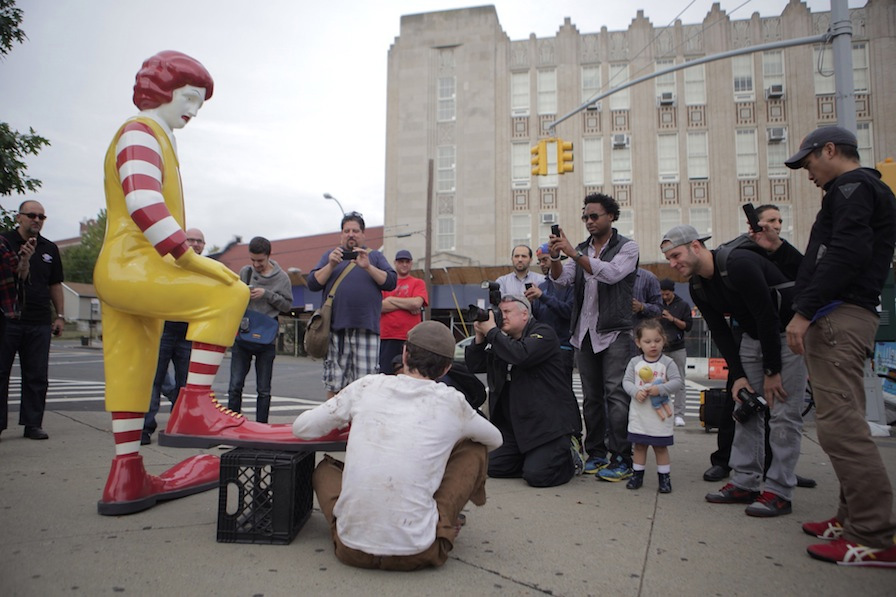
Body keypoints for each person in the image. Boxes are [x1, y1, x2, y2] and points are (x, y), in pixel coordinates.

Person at [94, 51, 305, 515]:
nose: (192, 109)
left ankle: (126, 473)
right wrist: (193, 259)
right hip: (135, 266)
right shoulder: (141, 132)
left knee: (131, 367)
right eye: (189, 97)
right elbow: (145, 203)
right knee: (226, 292)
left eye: (199, 103)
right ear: (160, 90)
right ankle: (194, 404)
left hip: (123, 270)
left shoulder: (154, 137)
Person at [292, 320, 502, 570]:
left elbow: (302, 428)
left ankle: (356, 525)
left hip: (351, 551)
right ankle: (443, 522)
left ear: (404, 353)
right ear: (446, 369)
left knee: (325, 471)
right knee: (474, 448)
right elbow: (494, 440)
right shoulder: (453, 402)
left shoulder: (367, 386)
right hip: (420, 552)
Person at [784, 126, 896, 566]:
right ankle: (851, 520)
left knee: (842, 429)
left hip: (838, 315)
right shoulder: (863, 188)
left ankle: (873, 534)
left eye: (809, 161)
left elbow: (846, 252)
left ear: (830, 151)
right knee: (841, 425)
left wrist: (804, 310)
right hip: (841, 314)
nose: (808, 172)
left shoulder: (851, 185)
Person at [662, 224, 806, 518]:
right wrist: (738, 375)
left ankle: (779, 491)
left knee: (782, 415)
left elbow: (767, 315)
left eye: (676, 255)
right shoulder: (698, 286)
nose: (674, 264)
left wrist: (772, 369)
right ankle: (745, 482)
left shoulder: (738, 264)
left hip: (784, 335)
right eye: (669, 259)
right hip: (751, 339)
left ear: (696, 246)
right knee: (745, 408)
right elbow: (720, 332)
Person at [549, 192, 638, 482]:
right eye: (585, 217)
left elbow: (611, 274)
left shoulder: (627, 248)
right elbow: (561, 279)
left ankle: (622, 457)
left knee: (616, 395)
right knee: (591, 398)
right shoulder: (581, 249)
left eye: (594, 216)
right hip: (583, 333)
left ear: (611, 216)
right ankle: (596, 454)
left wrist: (575, 255)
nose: (588, 221)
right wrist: (555, 258)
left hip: (614, 332)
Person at [465, 294, 583, 487]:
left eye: (507, 312)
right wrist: (480, 338)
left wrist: (493, 332)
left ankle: (570, 456)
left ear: (525, 314)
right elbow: (474, 365)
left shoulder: (544, 333)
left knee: (538, 477)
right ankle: (534, 459)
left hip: (547, 425)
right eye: (500, 313)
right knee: (491, 466)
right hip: (516, 426)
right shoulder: (504, 342)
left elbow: (522, 355)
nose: (502, 317)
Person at [308, 211, 397, 398]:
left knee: (366, 387)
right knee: (334, 385)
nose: (351, 234)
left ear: (363, 235)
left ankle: (359, 426)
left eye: (355, 231)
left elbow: (390, 282)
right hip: (335, 330)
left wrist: (368, 267)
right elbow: (313, 283)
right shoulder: (330, 256)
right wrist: (331, 264)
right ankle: (335, 426)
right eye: (347, 230)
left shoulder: (375, 257)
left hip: (367, 329)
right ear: (341, 235)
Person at [0, 200, 64, 441]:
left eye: (41, 217)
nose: (37, 220)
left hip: (38, 319)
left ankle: (32, 424)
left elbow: (55, 284)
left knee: (37, 374)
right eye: (32, 215)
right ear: (19, 218)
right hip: (7, 319)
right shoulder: (5, 242)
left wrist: (59, 316)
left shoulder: (49, 248)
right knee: (1, 372)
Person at [140, 228, 206, 445]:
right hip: (164, 329)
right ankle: (146, 428)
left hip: (188, 332)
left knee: (185, 385)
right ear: (182, 242)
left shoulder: (204, 270)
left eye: (199, 241)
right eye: (191, 240)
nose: (196, 244)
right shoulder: (167, 262)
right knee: (155, 381)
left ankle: (180, 426)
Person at [226, 236, 292, 423]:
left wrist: (267, 294)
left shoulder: (282, 278)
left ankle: (261, 428)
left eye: (260, 261)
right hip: (244, 334)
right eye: (253, 260)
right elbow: (235, 299)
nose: (256, 264)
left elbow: (287, 305)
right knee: (235, 385)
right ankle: (233, 425)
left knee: (263, 389)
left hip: (266, 338)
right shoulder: (245, 272)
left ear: (269, 256)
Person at [622, 319, 683, 493]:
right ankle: (637, 475)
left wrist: (661, 389)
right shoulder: (634, 362)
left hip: (659, 415)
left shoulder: (667, 363)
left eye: (657, 340)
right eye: (647, 342)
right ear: (638, 343)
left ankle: (664, 479)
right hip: (639, 412)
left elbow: (677, 382)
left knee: (660, 447)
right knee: (639, 446)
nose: (653, 345)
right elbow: (626, 382)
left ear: (663, 340)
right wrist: (635, 391)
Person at [525, 243, 574, 379]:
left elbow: (568, 312)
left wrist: (542, 296)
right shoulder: (542, 285)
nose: (541, 264)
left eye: (545, 260)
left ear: (557, 259)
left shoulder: (569, 284)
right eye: (539, 261)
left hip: (562, 348)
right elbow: (540, 318)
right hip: (542, 347)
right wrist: (532, 304)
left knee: (562, 393)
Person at [379, 249, 428, 375]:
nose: (404, 264)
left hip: (411, 338)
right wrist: (407, 304)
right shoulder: (386, 283)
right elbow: (379, 306)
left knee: (411, 374)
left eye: (407, 261)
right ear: (395, 263)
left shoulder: (418, 283)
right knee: (387, 376)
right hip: (387, 336)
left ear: (411, 264)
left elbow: (417, 303)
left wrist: (390, 300)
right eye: (401, 261)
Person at [658, 278, 692, 427]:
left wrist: (672, 319)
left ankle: (679, 414)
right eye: (662, 294)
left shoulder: (683, 305)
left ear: (672, 291)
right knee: (660, 381)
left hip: (678, 347)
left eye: (667, 294)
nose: (665, 297)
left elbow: (688, 326)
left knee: (679, 381)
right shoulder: (657, 305)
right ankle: (662, 410)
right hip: (661, 349)